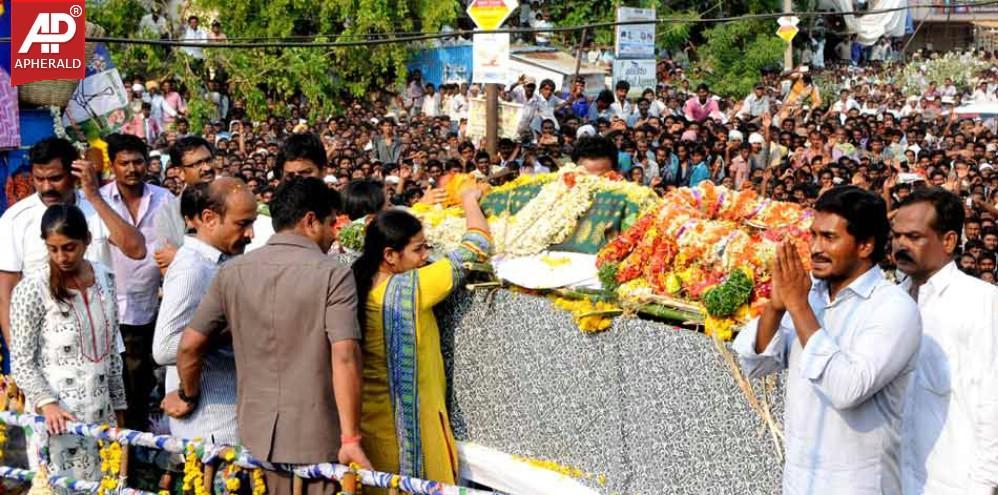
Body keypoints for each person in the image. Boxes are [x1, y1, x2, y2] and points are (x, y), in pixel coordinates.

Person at [177, 177, 368, 495]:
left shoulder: (233, 272)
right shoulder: (334, 274)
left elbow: (189, 346)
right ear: (310, 221)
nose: (334, 235)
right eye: (330, 224)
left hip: (254, 439)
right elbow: (345, 355)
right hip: (316, 441)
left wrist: (189, 395)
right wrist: (350, 438)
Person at [732, 186, 921, 494]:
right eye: (813, 235)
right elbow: (754, 364)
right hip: (799, 480)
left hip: (856, 485)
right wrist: (777, 307)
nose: (816, 248)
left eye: (829, 238)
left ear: (865, 245)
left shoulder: (894, 308)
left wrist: (798, 307)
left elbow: (847, 388)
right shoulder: (811, 295)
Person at [352, 186, 491, 489]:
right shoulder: (410, 288)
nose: (425, 256)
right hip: (409, 429)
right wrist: (469, 201)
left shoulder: (361, 277)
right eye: (418, 249)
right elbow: (477, 246)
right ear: (389, 255)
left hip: (374, 427)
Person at [0, 138, 145, 373]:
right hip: (45, 351)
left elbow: (136, 249)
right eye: (39, 179)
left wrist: (94, 196)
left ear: (75, 173)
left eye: (55, 178)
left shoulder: (98, 207)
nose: (46, 187)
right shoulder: (15, 219)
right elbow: (6, 293)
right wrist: (19, 358)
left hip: (100, 346)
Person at [891, 188, 998, 494]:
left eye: (914, 236)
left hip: (954, 480)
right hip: (896, 478)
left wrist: (984, 485)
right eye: (897, 236)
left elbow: (992, 400)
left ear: (949, 241)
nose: (901, 244)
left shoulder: (982, 301)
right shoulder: (891, 303)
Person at [10, 205, 126, 479]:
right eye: (53, 249)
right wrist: (47, 403)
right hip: (56, 419)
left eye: (69, 247)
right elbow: (22, 360)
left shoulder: (105, 278)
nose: (61, 257)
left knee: (103, 484)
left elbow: (111, 350)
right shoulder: (33, 287)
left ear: (87, 239)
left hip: (101, 412)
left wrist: (119, 406)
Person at [154, 179, 256, 445]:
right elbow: (164, 348)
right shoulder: (192, 268)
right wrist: (226, 331)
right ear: (209, 219)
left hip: (231, 413)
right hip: (209, 423)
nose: (250, 234)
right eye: (242, 224)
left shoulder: (223, 263)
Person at [99, 133, 174, 431]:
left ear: (148, 163)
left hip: (148, 306)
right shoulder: (98, 202)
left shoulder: (165, 199)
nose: (132, 169)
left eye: (138, 162)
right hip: (108, 307)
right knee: (112, 386)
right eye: (124, 163)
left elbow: (173, 248)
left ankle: (137, 450)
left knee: (139, 384)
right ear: (113, 166)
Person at [245, 132, 326, 252]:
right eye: (290, 176)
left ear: (323, 171)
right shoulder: (260, 223)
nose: (298, 181)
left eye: (306, 173)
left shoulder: (341, 217)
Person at [154, 136, 216, 271]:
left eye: (209, 160)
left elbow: (234, 259)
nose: (206, 168)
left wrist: (179, 256)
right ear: (180, 173)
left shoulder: (231, 203)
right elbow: (166, 267)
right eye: (197, 164)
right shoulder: (168, 212)